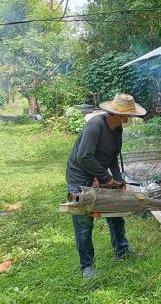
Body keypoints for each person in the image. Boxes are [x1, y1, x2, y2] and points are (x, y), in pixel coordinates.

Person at [66, 93, 146, 279]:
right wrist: (105, 178)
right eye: (129, 115)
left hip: (101, 177)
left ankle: (122, 251)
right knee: (84, 223)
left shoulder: (117, 129)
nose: (130, 119)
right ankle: (87, 267)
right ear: (119, 114)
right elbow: (84, 156)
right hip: (80, 179)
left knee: (116, 213)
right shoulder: (95, 126)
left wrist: (118, 179)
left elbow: (113, 158)